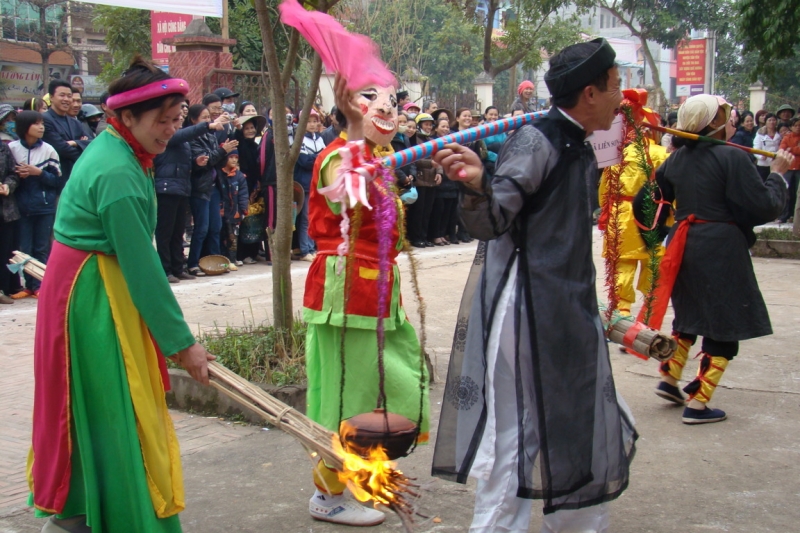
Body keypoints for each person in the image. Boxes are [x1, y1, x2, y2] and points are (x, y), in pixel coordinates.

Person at [431, 38, 636, 532]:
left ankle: (577, 524)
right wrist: (479, 182)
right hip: (528, 310)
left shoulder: (577, 142)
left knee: (581, 417)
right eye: (615, 87)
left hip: (565, 306)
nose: (621, 97)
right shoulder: (536, 140)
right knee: (518, 431)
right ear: (589, 93)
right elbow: (494, 220)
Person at [27, 56, 215, 533]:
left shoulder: (122, 150)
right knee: (116, 404)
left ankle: (82, 509)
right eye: (162, 121)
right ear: (126, 117)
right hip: (92, 297)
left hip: (84, 285)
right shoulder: (117, 174)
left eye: (176, 120)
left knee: (92, 403)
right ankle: (118, 516)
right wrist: (182, 344)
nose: (170, 131)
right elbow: (143, 268)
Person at [303, 74, 429, 527]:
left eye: (392, 100)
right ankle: (329, 492)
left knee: (392, 382)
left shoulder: (383, 157)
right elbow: (343, 194)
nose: (387, 108)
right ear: (346, 109)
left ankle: (365, 473)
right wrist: (356, 135)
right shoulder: (337, 156)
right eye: (371, 99)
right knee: (345, 394)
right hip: (346, 289)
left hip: (378, 289)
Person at [643, 94, 791, 424]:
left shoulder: (677, 158)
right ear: (713, 123)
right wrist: (778, 174)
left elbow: (659, 193)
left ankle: (670, 378)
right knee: (723, 323)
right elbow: (762, 206)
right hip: (718, 247)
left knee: (691, 312)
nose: (733, 119)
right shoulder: (732, 157)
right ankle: (698, 403)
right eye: (727, 114)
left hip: (683, 241)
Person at [598, 112, 668, 316]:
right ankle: (648, 315)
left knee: (622, 266)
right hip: (652, 215)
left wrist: (606, 212)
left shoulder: (617, 154)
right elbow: (670, 190)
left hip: (621, 214)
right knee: (652, 266)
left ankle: (623, 313)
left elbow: (605, 190)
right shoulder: (661, 154)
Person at [155, 104, 227, 283]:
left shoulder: (185, 139)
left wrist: (197, 161)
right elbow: (179, 136)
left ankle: (178, 268)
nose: (177, 122)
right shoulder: (166, 134)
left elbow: (189, 160)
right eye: (173, 119)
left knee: (178, 231)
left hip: (182, 188)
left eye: (178, 118)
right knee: (165, 232)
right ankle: (165, 269)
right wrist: (208, 126)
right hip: (166, 188)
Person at [8, 110, 62, 299]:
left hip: (44, 206)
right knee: (24, 247)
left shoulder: (48, 150)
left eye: (42, 123)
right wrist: (18, 176)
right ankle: (27, 285)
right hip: (21, 207)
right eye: (37, 124)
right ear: (24, 128)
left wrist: (37, 173)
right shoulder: (12, 148)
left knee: (41, 247)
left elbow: (57, 181)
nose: (41, 127)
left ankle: (40, 285)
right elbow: (7, 175)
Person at [186, 104, 236, 276]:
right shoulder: (192, 138)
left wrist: (224, 152)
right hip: (200, 187)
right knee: (202, 228)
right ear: (193, 120)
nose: (208, 121)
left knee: (216, 226)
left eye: (209, 117)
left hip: (214, 186)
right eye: (204, 118)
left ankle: (215, 262)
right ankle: (193, 263)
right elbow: (204, 162)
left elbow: (218, 161)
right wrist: (222, 151)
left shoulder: (211, 136)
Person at [293, 108, 325, 261]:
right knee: (305, 217)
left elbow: (325, 158)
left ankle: (312, 247)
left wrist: (315, 157)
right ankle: (305, 249)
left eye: (314, 121)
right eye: (308, 121)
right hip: (304, 183)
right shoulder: (299, 139)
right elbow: (304, 161)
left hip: (317, 182)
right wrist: (317, 157)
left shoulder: (319, 138)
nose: (312, 124)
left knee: (314, 216)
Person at [234, 114, 267, 264]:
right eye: (246, 128)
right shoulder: (240, 145)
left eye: (252, 127)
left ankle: (254, 252)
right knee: (244, 220)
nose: (250, 130)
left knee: (256, 219)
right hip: (243, 185)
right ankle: (242, 254)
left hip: (255, 185)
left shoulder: (257, 146)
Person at [406, 113, 441, 248]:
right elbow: (413, 159)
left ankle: (424, 236)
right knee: (418, 212)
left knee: (427, 212)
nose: (428, 127)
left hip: (431, 180)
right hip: (420, 180)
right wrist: (430, 164)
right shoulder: (415, 140)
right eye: (425, 124)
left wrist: (439, 172)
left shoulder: (432, 140)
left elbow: (438, 157)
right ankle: (416, 237)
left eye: (430, 124)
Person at [43, 80, 89, 181]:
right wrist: (83, 146)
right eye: (62, 95)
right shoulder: (45, 120)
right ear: (51, 97)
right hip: (57, 178)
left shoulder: (75, 122)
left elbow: (91, 143)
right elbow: (61, 148)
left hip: (76, 177)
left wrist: (75, 142)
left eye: (69, 96)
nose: (66, 99)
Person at [0, 136, 21, 304]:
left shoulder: (3, 148)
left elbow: (13, 173)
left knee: (5, 249)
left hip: (5, 208)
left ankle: (3, 289)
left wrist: (8, 185)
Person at [220, 149, 249, 266]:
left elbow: (243, 194)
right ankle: (223, 258)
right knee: (222, 235)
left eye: (236, 157)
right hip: (222, 211)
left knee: (233, 236)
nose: (234, 160)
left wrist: (243, 210)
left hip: (234, 212)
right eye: (231, 157)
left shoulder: (240, 176)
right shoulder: (220, 174)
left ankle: (232, 259)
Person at [777, 118, 800, 223]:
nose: (798, 127)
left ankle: (796, 217)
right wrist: (796, 149)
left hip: (799, 168)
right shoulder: (787, 137)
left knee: (797, 193)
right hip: (789, 167)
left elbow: (789, 149)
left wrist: (792, 149)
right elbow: (782, 149)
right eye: (796, 125)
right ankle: (784, 216)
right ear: (791, 127)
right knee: (786, 192)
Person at [753, 112, 782, 181]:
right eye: (769, 120)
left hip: (776, 163)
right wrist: (761, 156)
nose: (772, 122)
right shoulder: (760, 134)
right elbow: (756, 149)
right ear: (765, 122)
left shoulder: (779, 133)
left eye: (774, 120)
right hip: (763, 164)